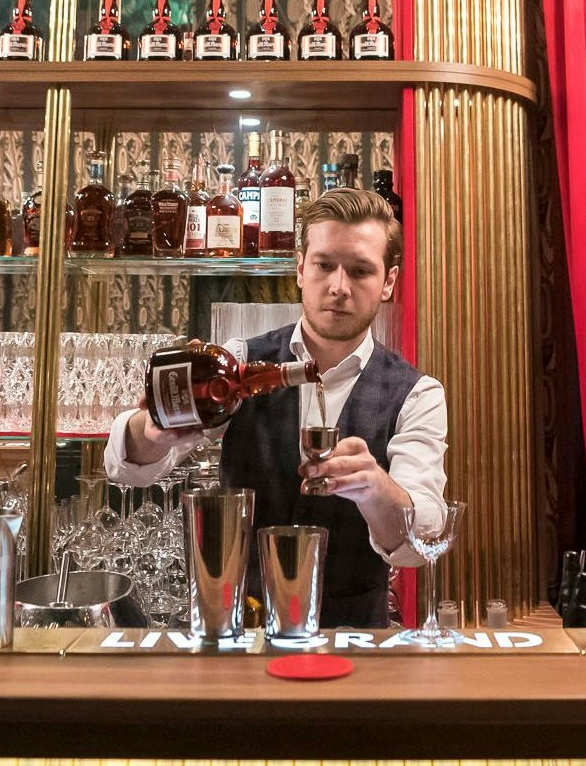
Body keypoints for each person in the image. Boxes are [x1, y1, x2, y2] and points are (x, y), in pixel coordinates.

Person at [105, 186, 447, 627]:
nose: (339, 287)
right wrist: (148, 431)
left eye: (361, 271)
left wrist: (375, 487)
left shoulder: (417, 393)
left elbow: (425, 535)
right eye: (324, 265)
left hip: (356, 644)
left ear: (388, 283)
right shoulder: (240, 363)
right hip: (240, 637)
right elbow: (127, 467)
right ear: (301, 269)